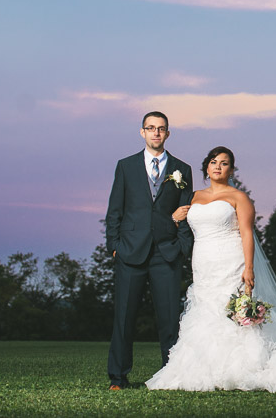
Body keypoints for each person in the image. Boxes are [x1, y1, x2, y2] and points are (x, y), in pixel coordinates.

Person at [146, 146, 276, 392]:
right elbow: (177, 227)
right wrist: (175, 218)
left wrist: (249, 268)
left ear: (231, 169)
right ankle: (210, 368)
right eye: (214, 161)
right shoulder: (193, 197)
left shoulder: (239, 197)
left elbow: (247, 234)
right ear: (206, 167)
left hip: (232, 259)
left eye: (224, 163)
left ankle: (244, 367)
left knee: (233, 313)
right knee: (208, 311)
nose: (218, 166)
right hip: (203, 263)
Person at [105, 111, 194, 390]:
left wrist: (182, 247)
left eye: (161, 129)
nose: (156, 133)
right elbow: (114, 211)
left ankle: (170, 377)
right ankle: (118, 379)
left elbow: (186, 212)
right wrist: (114, 247)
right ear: (142, 132)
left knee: (169, 321)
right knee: (124, 319)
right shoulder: (126, 166)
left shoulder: (183, 169)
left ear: (168, 134)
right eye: (150, 128)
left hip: (166, 253)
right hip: (130, 252)